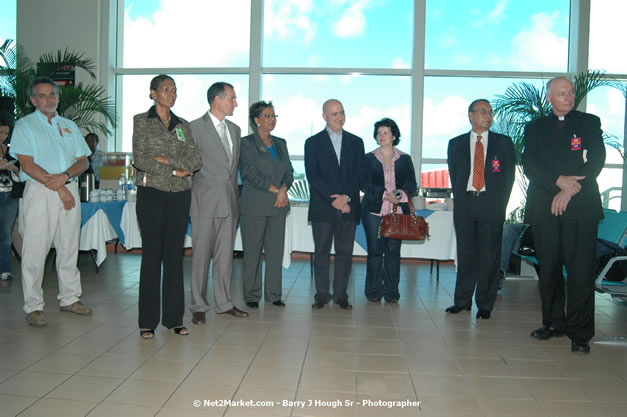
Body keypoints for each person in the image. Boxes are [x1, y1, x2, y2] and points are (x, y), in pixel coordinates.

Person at [523, 76, 605, 354]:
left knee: (581, 271)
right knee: (549, 269)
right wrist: (558, 181)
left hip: (581, 206)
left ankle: (580, 333)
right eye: (561, 93)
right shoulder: (534, 127)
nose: (569, 97)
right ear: (549, 98)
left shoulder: (589, 123)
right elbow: (529, 164)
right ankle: (553, 323)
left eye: (571, 92)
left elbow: (596, 160)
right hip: (544, 206)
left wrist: (569, 190)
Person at [9, 76, 92, 326]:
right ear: (33, 100)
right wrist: (59, 187)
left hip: (68, 187)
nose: (49, 100)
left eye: (52, 95)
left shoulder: (68, 125)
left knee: (69, 246)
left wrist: (65, 178)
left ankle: (69, 298)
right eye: (42, 96)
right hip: (40, 191)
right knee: (35, 249)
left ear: (58, 97)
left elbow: (83, 161)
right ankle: (33, 305)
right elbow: (27, 164)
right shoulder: (24, 125)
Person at [132, 74, 201, 339]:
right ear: (152, 93)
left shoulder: (183, 125)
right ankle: (147, 321)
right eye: (165, 89)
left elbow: (194, 159)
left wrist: (167, 159)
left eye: (174, 90)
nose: (171, 94)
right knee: (152, 257)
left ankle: (174, 319)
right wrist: (175, 169)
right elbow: (141, 158)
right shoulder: (142, 121)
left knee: (174, 257)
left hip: (179, 196)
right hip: (152, 193)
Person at [446, 99, 515, 319]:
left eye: (490, 112)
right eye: (483, 111)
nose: (488, 116)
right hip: (466, 204)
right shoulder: (456, 143)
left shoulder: (503, 143)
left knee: (489, 256)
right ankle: (462, 301)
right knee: (465, 254)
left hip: (491, 205)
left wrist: (499, 204)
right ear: (471, 115)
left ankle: (485, 304)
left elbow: (508, 178)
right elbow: (455, 175)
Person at [189, 82, 249, 321]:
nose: (235, 103)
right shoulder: (194, 127)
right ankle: (198, 306)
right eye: (232, 98)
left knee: (225, 258)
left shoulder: (235, 130)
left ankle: (224, 303)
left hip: (230, 203)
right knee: (201, 257)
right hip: (205, 202)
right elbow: (187, 166)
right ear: (217, 100)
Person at [304, 99, 365, 310]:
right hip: (323, 207)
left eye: (342, 112)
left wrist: (346, 197)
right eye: (334, 114)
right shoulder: (312, 143)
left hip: (348, 206)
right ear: (324, 117)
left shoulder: (357, 142)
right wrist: (336, 200)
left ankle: (341, 295)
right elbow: (313, 176)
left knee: (344, 252)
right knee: (321, 252)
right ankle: (321, 294)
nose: (339, 117)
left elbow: (359, 174)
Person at [239, 101, 294, 308]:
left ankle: (273, 294)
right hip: (255, 206)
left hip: (278, 206)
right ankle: (252, 296)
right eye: (267, 116)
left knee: (275, 251)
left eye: (273, 115)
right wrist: (277, 190)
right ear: (256, 120)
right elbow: (249, 174)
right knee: (252, 252)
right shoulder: (247, 143)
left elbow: (288, 172)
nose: (272, 119)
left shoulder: (281, 143)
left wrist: (283, 189)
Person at [361, 118, 417, 303]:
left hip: (397, 211)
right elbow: (364, 184)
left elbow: (412, 185)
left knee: (393, 252)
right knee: (375, 252)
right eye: (379, 133)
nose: (382, 136)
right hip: (373, 212)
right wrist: (384, 194)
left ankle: (392, 291)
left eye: (386, 132)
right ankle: (373, 291)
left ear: (394, 135)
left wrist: (399, 194)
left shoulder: (405, 159)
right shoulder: (368, 158)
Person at [0, 117, 19, 281]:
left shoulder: (9, 150)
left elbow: (21, 174)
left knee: (6, 234)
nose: (3, 136)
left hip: (10, 196)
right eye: (0, 132)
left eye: (6, 133)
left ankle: (4, 269)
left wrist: (13, 168)